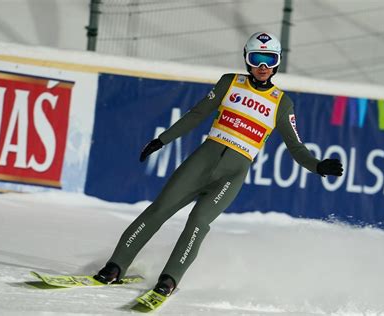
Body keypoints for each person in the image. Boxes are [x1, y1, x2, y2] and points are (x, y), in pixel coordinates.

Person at [93, 32, 343, 296]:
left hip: (232, 174)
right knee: (160, 209)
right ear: (247, 59)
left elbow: (296, 147)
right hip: (202, 161)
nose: (262, 67)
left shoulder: (282, 103)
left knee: (198, 221)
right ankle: (115, 266)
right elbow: (197, 114)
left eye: (269, 60)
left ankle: (169, 278)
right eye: (257, 58)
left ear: (277, 62)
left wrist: (317, 166)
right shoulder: (230, 83)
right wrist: (162, 140)